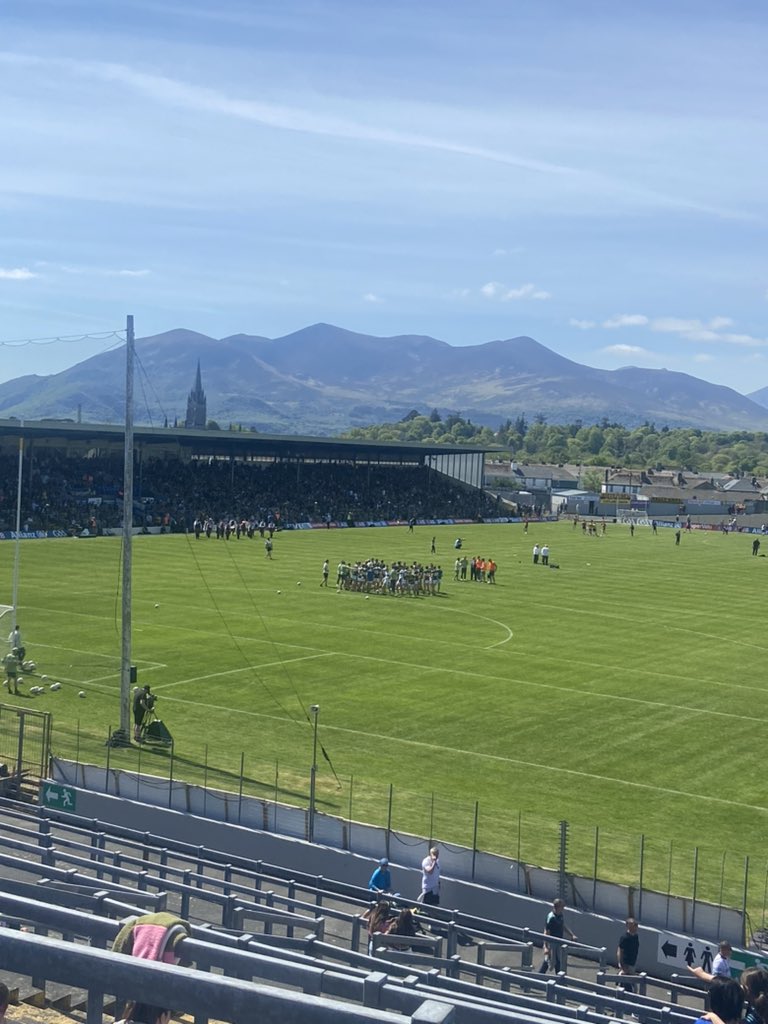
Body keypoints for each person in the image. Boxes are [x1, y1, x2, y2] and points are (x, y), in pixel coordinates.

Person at [539, 897, 576, 974]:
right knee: (548, 961)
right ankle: (539, 976)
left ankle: (558, 977)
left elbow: (562, 925)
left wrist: (571, 935)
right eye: (562, 907)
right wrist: (546, 947)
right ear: (557, 907)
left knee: (558, 961)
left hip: (558, 942)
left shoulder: (560, 915)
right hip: (551, 943)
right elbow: (546, 932)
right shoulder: (551, 917)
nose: (563, 908)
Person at [617, 917, 639, 990]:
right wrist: (622, 966)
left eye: (635, 925)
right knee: (624, 982)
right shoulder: (625, 937)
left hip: (632, 964)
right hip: (626, 964)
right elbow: (620, 951)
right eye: (633, 925)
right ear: (628, 926)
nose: (635, 926)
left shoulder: (635, 937)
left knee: (632, 984)